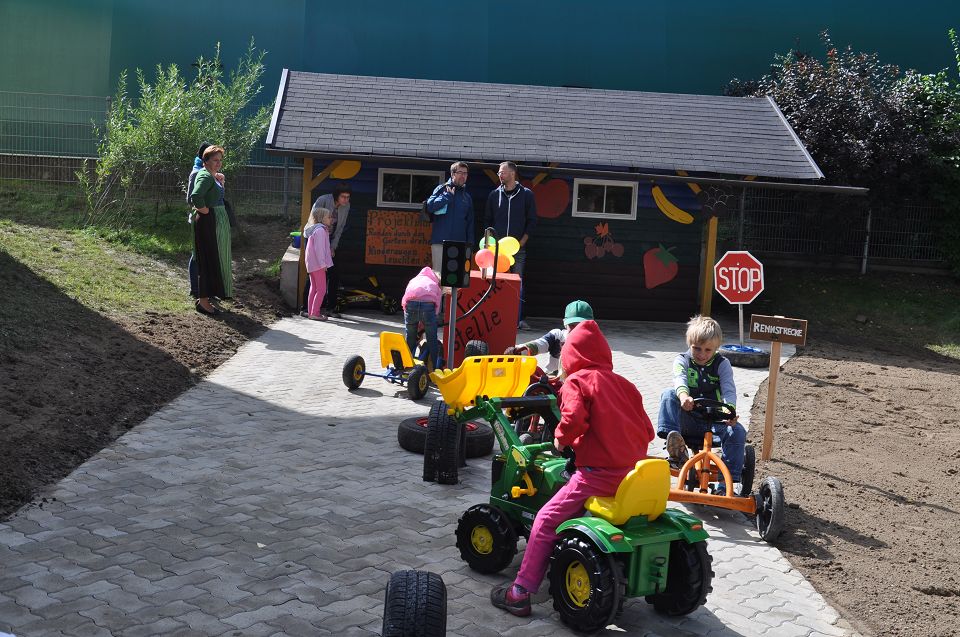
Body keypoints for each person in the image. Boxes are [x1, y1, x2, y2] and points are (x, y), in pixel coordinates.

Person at [490, 319, 655, 617]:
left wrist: (561, 439)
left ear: (569, 357)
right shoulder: (626, 385)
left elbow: (574, 419)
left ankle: (520, 592)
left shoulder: (576, 382)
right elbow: (649, 431)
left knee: (545, 520)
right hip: (635, 475)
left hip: (598, 476)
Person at [657, 315, 746, 494]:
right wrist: (684, 396)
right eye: (697, 348)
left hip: (714, 423)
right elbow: (679, 379)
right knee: (668, 394)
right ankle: (677, 452)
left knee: (737, 431)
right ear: (689, 344)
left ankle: (725, 485)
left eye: (708, 350)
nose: (702, 354)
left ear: (716, 348)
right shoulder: (682, 360)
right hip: (688, 420)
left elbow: (729, 390)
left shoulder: (722, 364)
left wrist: (730, 411)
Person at [485, 161, 537, 329]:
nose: (500, 175)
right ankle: (494, 319)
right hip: (497, 251)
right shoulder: (494, 195)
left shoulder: (527, 195)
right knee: (494, 283)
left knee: (517, 283)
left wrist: (522, 242)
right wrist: (491, 244)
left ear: (513, 174)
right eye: (499, 172)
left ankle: (517, 320)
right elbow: (488, 221)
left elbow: (532, 221)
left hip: (518, 249)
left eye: (503, 172)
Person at [189, 145, 228, 315]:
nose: (218, 163)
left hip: (211, 221)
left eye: (220, 160)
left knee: (211, 259)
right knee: (205, 261)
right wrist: (205, 211)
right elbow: (195, 196)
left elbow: (214, 195)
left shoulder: (211, 175)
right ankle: (203, 302)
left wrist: (220, 181)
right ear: (205, 161)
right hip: (206, 222)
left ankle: (206, 298)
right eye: (215, 160)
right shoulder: (204, 175)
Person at [505, 300, 593, 376]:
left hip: (578, 382)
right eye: (572, 325)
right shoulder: (558, 336)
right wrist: (517, 350)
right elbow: (538, 345)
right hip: (552, 380)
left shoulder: (595, 344)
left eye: (581, 326)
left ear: (591, 326)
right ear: (565, 323)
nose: (576, 330)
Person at [305, 183, 352, 318]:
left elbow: (340, 227)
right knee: (317, 283)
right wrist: (322, 263)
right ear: (336, 196)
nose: (346, 200)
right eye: (343, 197)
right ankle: (309, 310)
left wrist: (332, 247)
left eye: (348, 197)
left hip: (328, 240)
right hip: (316, 236)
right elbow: (313, 219)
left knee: (333, 275)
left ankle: (327, 309)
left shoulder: (346, 206)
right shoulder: (323, 200)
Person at [426, 161, 474, 273]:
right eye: (460, 172)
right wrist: (447, 197)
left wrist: (470, 244)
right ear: (452, 174)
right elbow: (430, 206)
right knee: (438, 276)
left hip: (460, 244)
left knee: (455, 278)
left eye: (465, 173)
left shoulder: (467, 197)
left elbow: (470, 222)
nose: (463, 176)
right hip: (440, 242)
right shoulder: (441, 189)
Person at [401, 266, 442, 368]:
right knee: (432, 339)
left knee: (410, 337)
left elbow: (405, 300)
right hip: (428, 306)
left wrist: (408, 314)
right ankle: (435, 368)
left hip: (411, 305)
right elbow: (437, 306)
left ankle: (407, 366)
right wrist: (433, 318)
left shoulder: (413, 280)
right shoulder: (435, 284)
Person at [304, 207, 334, 321]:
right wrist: (323, 264)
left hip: (312, 264)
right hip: (318, 265)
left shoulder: (316, 230)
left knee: (314, 288)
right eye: (329, 217)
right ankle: (315, 313)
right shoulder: (320, 231)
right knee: (321, 289)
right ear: (322, 218)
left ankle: (311, 312)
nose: (331, 219)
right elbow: (319, 249)